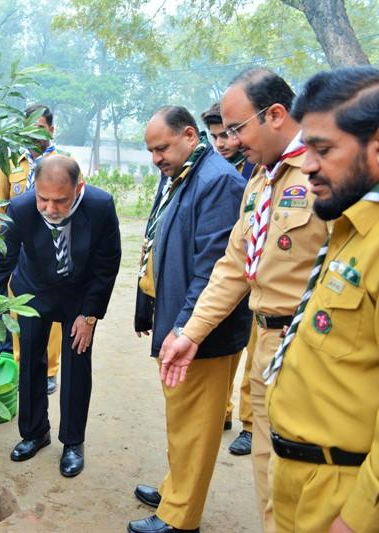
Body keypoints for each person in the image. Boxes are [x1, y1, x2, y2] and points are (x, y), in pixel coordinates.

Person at [159, 69, 329, 533]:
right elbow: (234, 265)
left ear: (274, 115)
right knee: (269, 474)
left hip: (310, 349)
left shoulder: (324, 172)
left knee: (308, 482)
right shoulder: (259, 181)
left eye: (236, 128)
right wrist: (190, 332)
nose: (229, 141)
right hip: (266, 345)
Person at [261, 65, 379, 533]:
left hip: (344, 492)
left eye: (323, 150)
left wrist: (359, 516)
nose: (307, 165)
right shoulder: (349, 225)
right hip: (299, 476)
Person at [128, 106, 251, 533]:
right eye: (150, 150)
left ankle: (180, 518)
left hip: (201, 332)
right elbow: (157, 240)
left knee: (196, 425)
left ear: (188, 135)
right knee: (181, 418)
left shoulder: (218, 182)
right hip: (179, 320)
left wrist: (183, 326)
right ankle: (175, 489)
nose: (156, 158)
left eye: (161, 148)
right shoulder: (182, 173)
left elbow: (214, 268)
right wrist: (148, 306)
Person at [0, 155, 121, 477]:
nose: (49, 208)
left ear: (79, 188)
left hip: (79, 294)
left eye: (60, 200)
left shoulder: (100, 206)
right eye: (43, 199)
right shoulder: (21, 207)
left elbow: (107, 264)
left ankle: (73, 442)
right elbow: (3, 260)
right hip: (34, 289)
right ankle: (35, 433)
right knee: (30, 360)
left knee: (76, 364)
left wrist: (89, 315)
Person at [0, 105, 69, 394]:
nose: (34, 134)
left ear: (52, 129)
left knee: (53, 313)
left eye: (40, 128)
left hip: (52, 250)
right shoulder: (11, 162)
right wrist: (0, 244)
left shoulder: (66, 163)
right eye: (28, 128)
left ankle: (49, 370)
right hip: (18, 251)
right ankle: (22, 366)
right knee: (18, 311)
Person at [201, 101, 256, 456]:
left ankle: (250, 423)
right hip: (225, 270)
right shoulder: (209, 167)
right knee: (224, 346)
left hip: (257, 272)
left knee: (254, 350)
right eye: (215, 136)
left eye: (227, 134)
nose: (221, 143)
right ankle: (222, 410)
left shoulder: (257, 166)